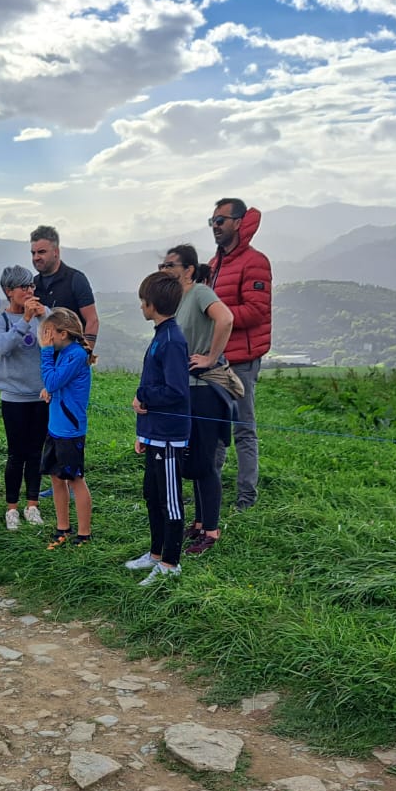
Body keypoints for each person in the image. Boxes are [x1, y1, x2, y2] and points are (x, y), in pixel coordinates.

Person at [160, 244, 234, 553]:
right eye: (163, 265)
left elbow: (226, 318)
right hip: (187, 389)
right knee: (194, 458)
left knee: (205, 463)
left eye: (171, 265)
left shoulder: (200, 292)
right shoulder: (178, 299)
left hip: (205, 389)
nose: (165, 270)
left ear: (188, 269)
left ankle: (212, 532)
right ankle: (201, 523)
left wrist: (211, 357)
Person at [207, 199, 273, 510]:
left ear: (238, 222)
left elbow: (257, 311)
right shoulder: (214, 263)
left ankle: (247, 498)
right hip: (217, 358)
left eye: (221, 220)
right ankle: (213, 491)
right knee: (217, 430)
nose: (216, 226)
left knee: (244, 430)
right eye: (213, 220)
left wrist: (217, 315)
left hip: (243, 361)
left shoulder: (255, 262)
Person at [126, 271, 191, 586]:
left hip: (168, 437)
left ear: (152, 304)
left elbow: (176, 391)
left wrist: (144, 398)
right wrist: (143, 431)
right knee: (152, 495)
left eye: (142, 301)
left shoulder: (173, 340)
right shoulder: (161, 334)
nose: (140, 306)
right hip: (154, 433)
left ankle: (171, 563)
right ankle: (155, 553)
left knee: (170, 500)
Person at [0, 265, 47, 530]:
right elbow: (1, 347)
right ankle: (12, 508)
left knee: (36, 453)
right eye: (23, 287)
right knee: (16, 454)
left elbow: (58, 342)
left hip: (40, 396)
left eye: (31, 286)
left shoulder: (41, 316)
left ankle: (32, 505)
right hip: (14, 398)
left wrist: (43, 317)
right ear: (8, 291)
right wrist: (24, 321)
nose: (29, 291)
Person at [38, 307, 93, 549]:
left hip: (70, 430)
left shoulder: (76, 355)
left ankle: (84, 533)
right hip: (56, 427)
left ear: (62, 334)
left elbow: (53, 379)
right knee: (56, 478)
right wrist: (49, 389)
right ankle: (63, 527)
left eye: (49, 333)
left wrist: (46, 352)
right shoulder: (64, 354)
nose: (46, 339)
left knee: (74, 480)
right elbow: (55, 382)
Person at [29, 225, 98, 348]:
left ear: (56, 252)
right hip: (41, 361)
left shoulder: (76, 279)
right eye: (33, 253)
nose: (36, 258)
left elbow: (92, 321)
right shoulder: (32, 285)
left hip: (70, 359)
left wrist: (84, 356)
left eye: (41, 252)